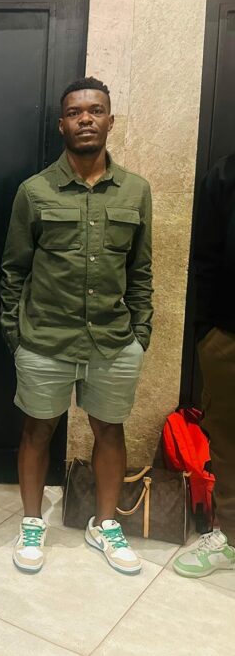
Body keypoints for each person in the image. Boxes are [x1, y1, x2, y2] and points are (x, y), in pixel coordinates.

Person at [0, 77, 153, 575]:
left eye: (95, 110)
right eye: (75, 112)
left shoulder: (136, 190)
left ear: (110, 120)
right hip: (44, 339)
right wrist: (16, 336)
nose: (86, 118)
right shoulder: (35, 191)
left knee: (110, 430)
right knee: (37, 430)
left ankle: (105, 524)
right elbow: (13, 270)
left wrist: (140, 333)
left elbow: (141, 271)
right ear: (61, 124)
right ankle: (31, 522)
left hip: (113, 340)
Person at [173, 153, 235, 578]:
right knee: (228, 443)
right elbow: (206, 260)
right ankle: (230, 536)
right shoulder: (226, 175)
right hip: (228, 336)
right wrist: (207, 333)